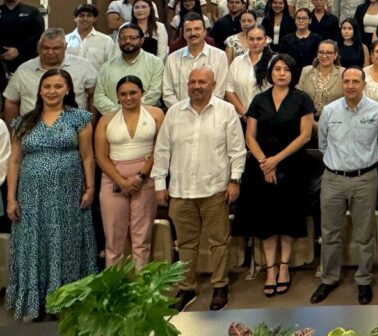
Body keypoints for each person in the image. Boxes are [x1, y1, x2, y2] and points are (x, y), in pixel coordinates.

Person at [4, 68, 96, 321]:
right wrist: (11, 198)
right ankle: (34, 303)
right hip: (31, 197)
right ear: (39, 90)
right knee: (35, 242)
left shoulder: (79, 118)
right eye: (47, 86)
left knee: (66, 243)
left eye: (58, 86)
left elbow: (88, 156)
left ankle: (68, 302)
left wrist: (90, 187)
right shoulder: (24, 122)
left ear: (67, 90)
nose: (52, 91)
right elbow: (14, 161)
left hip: (68, 194)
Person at [153, 67, 245, 312]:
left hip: (214, 188)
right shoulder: (174, 112)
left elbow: (237, 151)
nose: (197, 86)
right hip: (181, 190)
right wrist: (160, 184)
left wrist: (234, 181)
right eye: (192, 82)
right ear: (187, 85)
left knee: (219, 242)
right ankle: (187, 287)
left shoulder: (226, 111)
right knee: (185, 243)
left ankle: (220, 285)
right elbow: (162, 151)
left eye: (202, 82)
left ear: (213, 85)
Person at [232, 53, 314, 298]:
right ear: (270, 73)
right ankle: (270, 270)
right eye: (277, 69)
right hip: (262, 167)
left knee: (287, 218)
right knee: (266, 221)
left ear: (293, 73)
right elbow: (249, 136)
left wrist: (276, 160)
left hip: (292, 166)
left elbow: (305, 135)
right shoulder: (259, 99)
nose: (281, 73)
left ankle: (284, 267)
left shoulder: (302, 99)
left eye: (286, 69)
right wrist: (264, 163)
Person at [311, 66, 378, 306]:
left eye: (356, 81)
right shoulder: (329, 111)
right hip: (333, 179)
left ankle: (364, 279)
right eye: (346, 81)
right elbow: (323, 145)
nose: (350, 85)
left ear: (364, 84)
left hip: (365, 179)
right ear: (342, 84)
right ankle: (329, 278)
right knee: (330, 233)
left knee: (364, 234)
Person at [95, 76, 164, 268]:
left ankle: (141, 284)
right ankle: (115, 284)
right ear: (117, 97)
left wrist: (141, 176)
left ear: (142, 93)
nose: (128, 97)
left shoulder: (156, 114)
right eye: (123, 94)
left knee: (141, 239)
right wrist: (121, 181)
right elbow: (101, 156)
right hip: (113, 180)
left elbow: (160, 149)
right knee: (114, 240)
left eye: (133, 92)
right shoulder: (106, 120)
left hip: (145, 178)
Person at [3, 28, 97, 122]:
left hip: (74, 127)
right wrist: (15, 129)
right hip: (31, 128)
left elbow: (94, 95)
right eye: (45, 48)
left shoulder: (83, 66)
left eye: (56, 48)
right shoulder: (23, 69)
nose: (50, 52)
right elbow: (11, 102)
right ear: (38, 47)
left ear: (65, 47)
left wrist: (90, 124)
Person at [163, 13, 229, 107]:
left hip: (211, 111)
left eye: (197, 29)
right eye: (188, 30)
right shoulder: (172, 58)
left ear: (205, 32)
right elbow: (167, 93)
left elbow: (219, 91)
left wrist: (203, 109)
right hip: (180, 112)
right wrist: (183, 110)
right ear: (183, 34)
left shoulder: (220, 56)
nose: (193, 33)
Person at [225, 25, 273, 120]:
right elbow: (229, 90)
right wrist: (245, 114)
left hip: (267, 117)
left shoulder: (273, 62)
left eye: (259, 39)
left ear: (266, 40)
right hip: (241, 117)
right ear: (246, 40)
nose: (255, 42)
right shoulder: (237, 62)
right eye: (251, 39)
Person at [0, 0, 45, 73]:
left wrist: (18, 50)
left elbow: (38, 34)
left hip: (26, 59)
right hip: (1, 60)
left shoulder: (33, 12)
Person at [298, 39, 346, 120]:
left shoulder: (344, 73)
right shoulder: (306, 71)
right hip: (308, 119)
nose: (324, 55)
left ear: (335, 55)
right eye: (321, 52)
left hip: (334, 119)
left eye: (329, 53)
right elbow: (299, 97)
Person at [65, 2, 117, 71]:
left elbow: (111, 66)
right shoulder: (65, 40)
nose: (85, 19)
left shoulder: (106, 41)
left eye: (89, 16)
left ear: (95, 19)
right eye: (81, 15)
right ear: (75, 18)